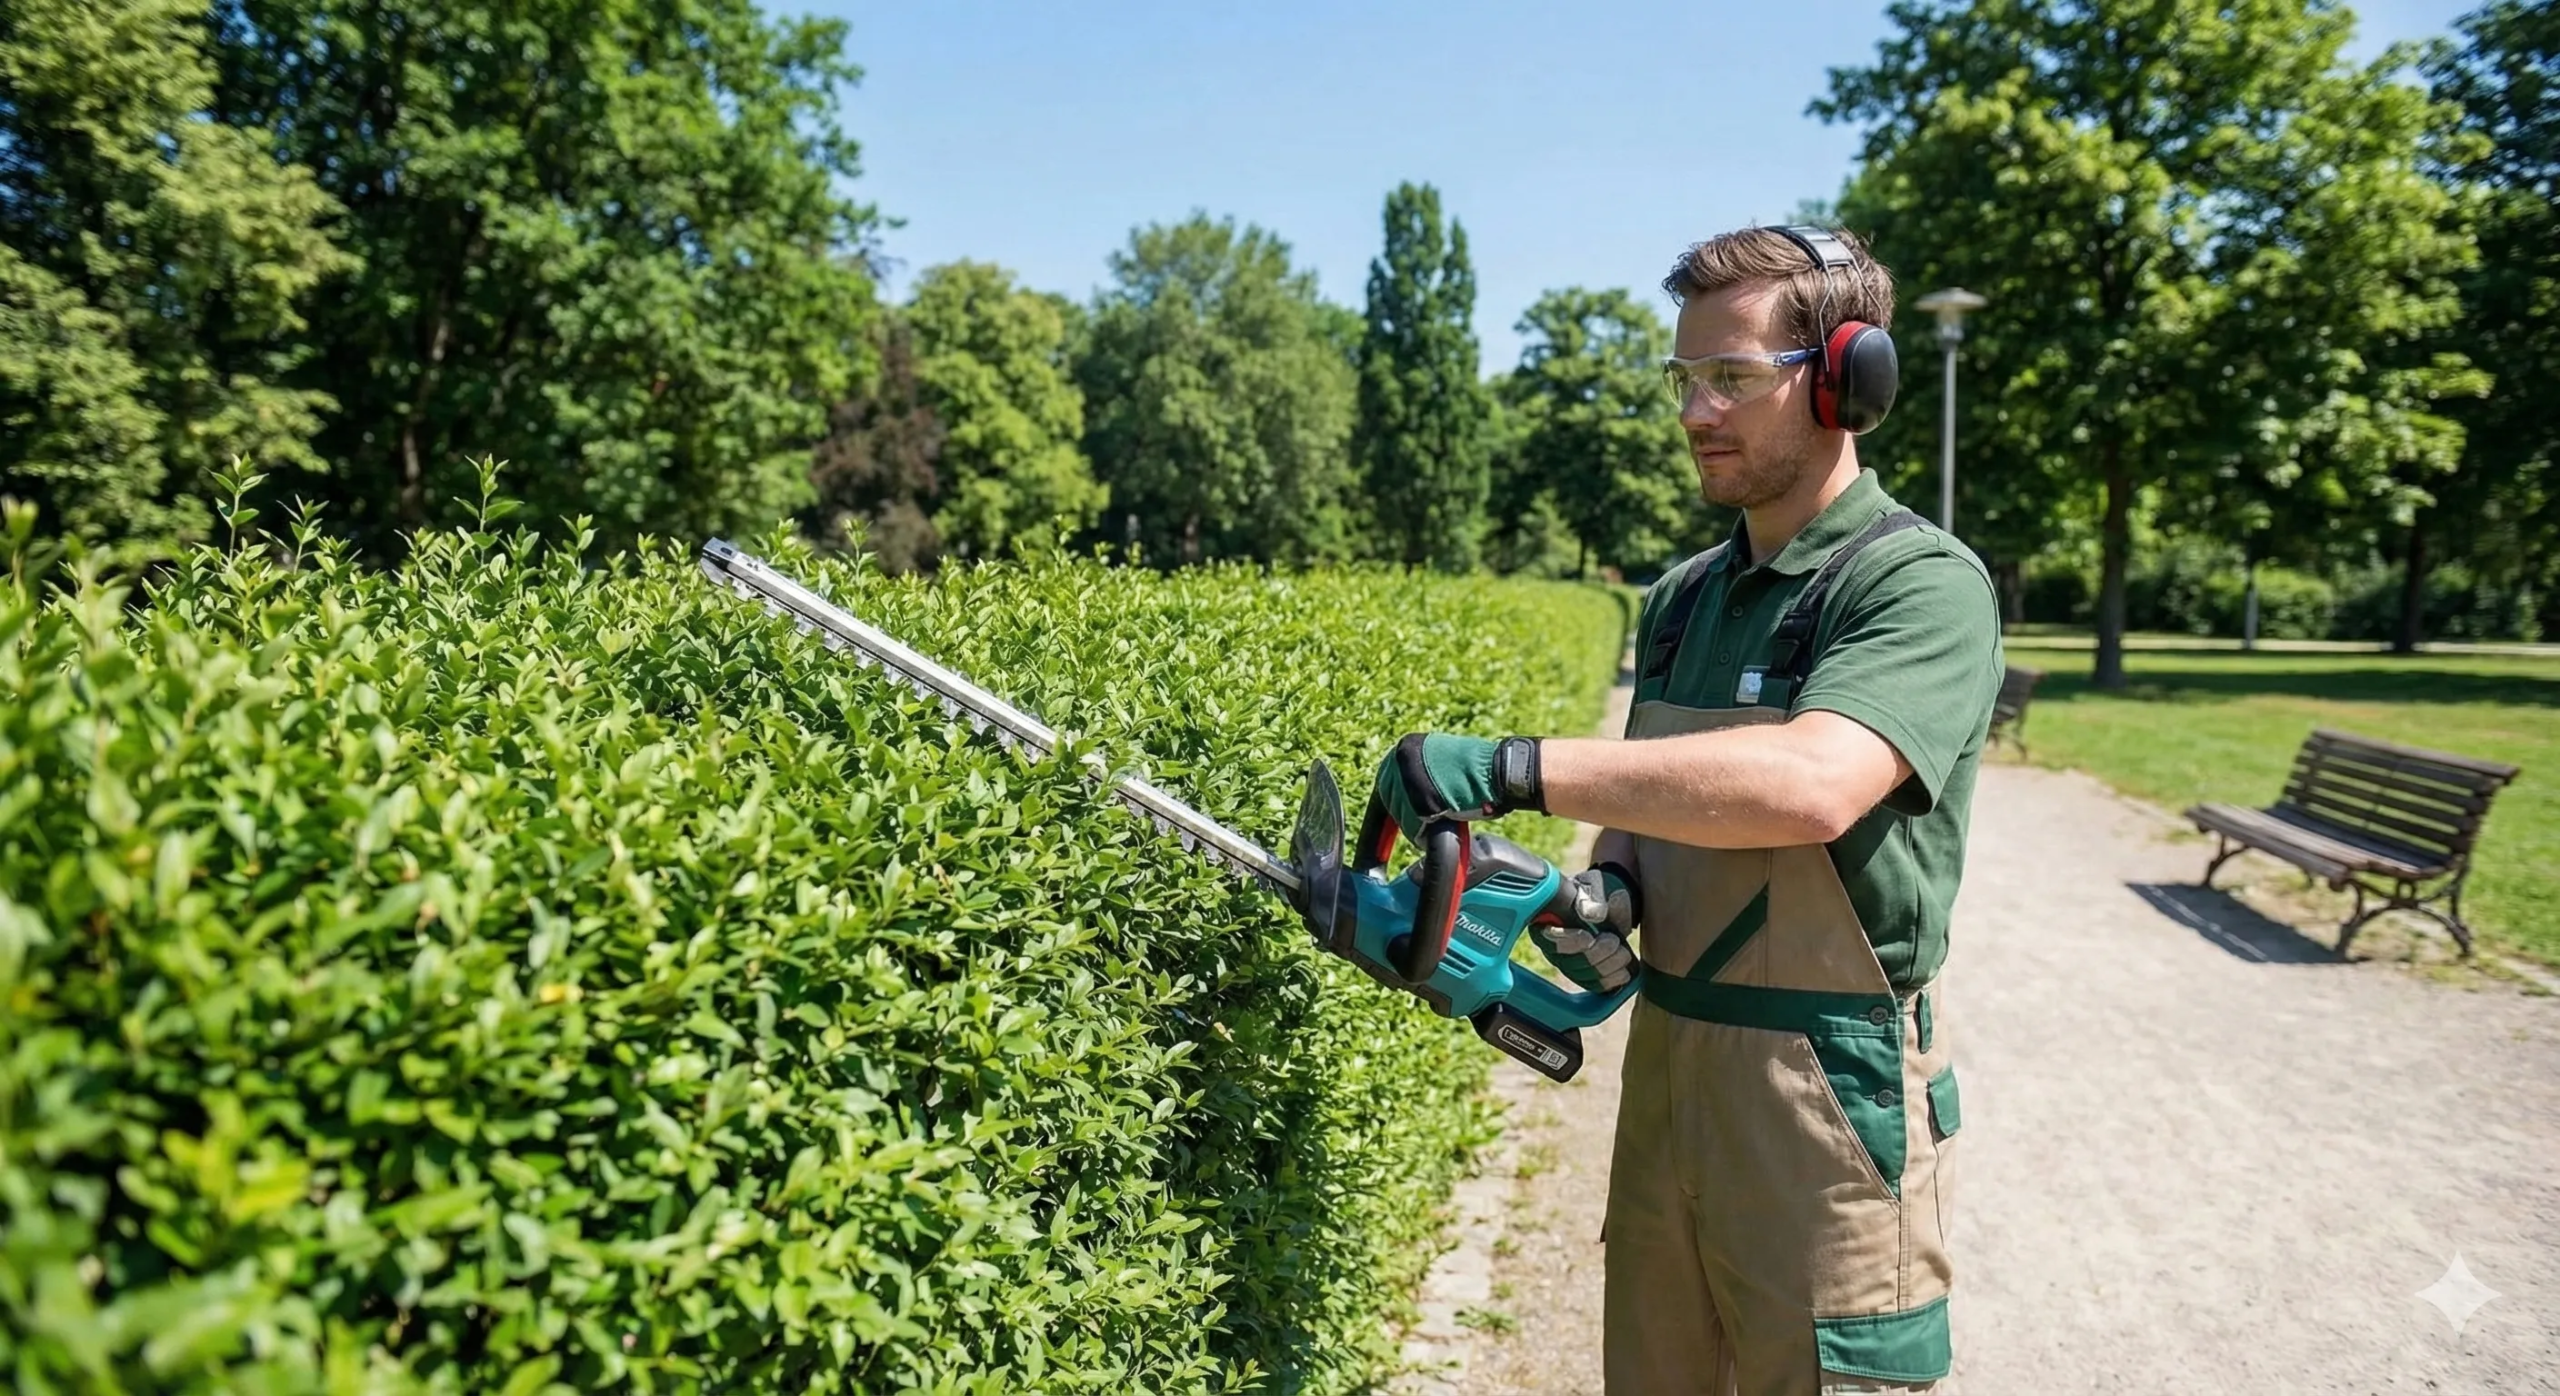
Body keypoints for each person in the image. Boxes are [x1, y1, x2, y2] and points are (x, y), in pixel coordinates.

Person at [1370, 223, 2002, 1395]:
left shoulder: (1915, 582)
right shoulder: (1681, 599)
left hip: (1826, 1094)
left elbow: (1812, 783)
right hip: (1666, 1075)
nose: (1696, 412)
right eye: (1685, 378)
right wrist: (1592, 898)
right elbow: (1647, 823)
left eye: (1731, 377)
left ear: (1845, 380)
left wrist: (1512, 767)